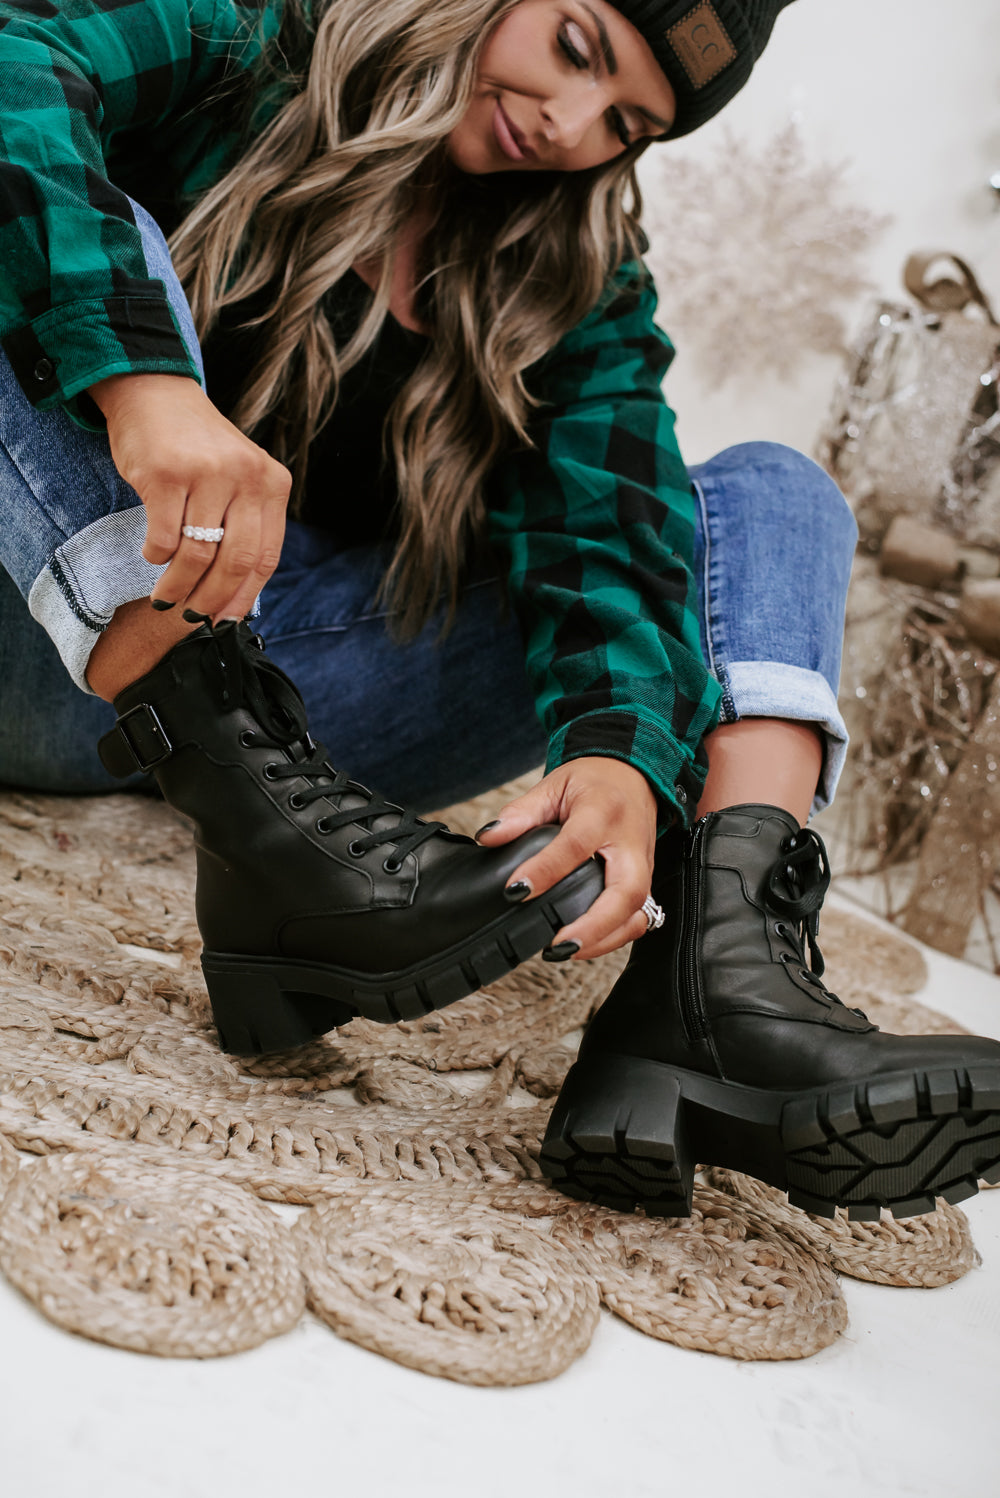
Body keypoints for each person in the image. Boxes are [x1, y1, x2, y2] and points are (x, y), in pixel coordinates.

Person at [1, 0, 998, 1222]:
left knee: (774, 496)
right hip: (48, 637)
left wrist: (620, 751)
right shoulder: (247, 38)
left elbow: (612, 534)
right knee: (40, 178)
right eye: (575, 48)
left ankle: (713, 986)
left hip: (303, 711)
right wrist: (144, 384)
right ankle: (244, 804)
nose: (570, 125)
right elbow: (14, 60)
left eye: (625, 124)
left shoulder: (570, 273)